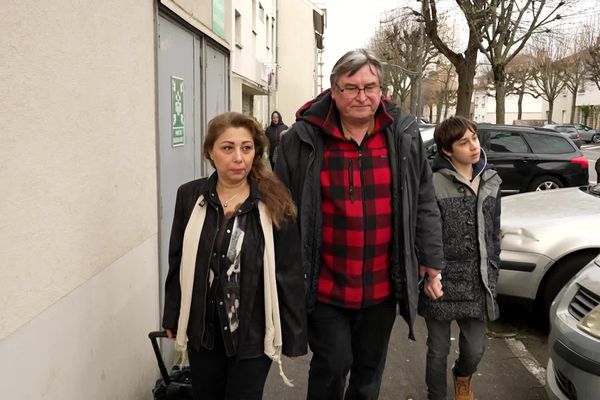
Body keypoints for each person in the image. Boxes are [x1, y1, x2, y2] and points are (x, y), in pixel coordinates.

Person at [274, 48, 445, 400]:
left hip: (382, 285)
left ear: (381, 90)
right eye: (351, 88)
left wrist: (431, 261)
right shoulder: (301, 140)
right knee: (332, 365)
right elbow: (281, 213)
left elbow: (424, 201)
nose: (362, 96)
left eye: (370, 86)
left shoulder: (402, 136)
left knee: (368, 373)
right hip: (325, 286)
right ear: (333, 91)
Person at [162, 112, 307, 400]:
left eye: (247, 148)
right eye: (228, 148)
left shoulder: (275, 201)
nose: (238, 157)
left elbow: (289, 271)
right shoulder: (190, 197)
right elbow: (178, 260)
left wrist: (294, 336)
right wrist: (173, 314)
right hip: (203, 333)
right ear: (210, 152)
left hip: (252, 335)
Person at [418, 116, 502, 400]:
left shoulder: (491, 180)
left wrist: (493, 270)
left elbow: (493, 233)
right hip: (440, 281)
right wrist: (430, 273)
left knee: (475, 349)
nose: (473, 146)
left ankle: (462, 375)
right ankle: (436, 396)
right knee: (437, 350)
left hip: (477, 279)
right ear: (446, 150)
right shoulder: (432, 182)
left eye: (474, 139)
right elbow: (425, 231)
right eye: (463, 143)